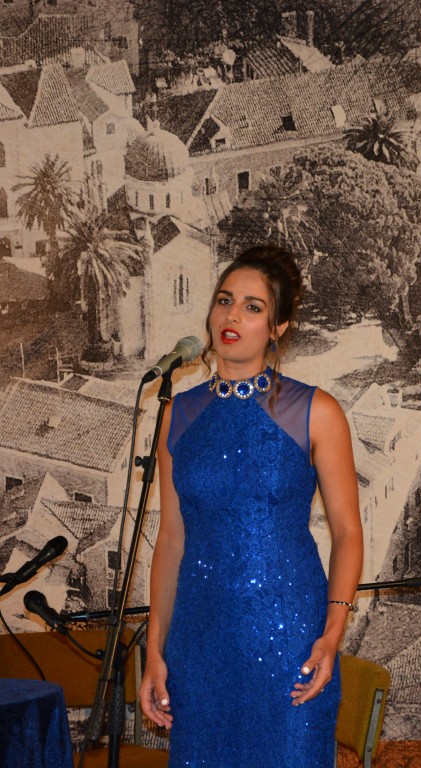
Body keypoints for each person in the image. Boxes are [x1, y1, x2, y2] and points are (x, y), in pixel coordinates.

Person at [139, 245, 364, 766]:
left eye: (253, 306)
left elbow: (348, 533)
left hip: (291, 645)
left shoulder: (316, 410)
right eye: (224, 301)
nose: (232, 316)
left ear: (278, 327)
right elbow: (171, 540)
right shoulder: (178, 414)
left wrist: (332, 635)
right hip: (198, 646)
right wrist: (155, 650)